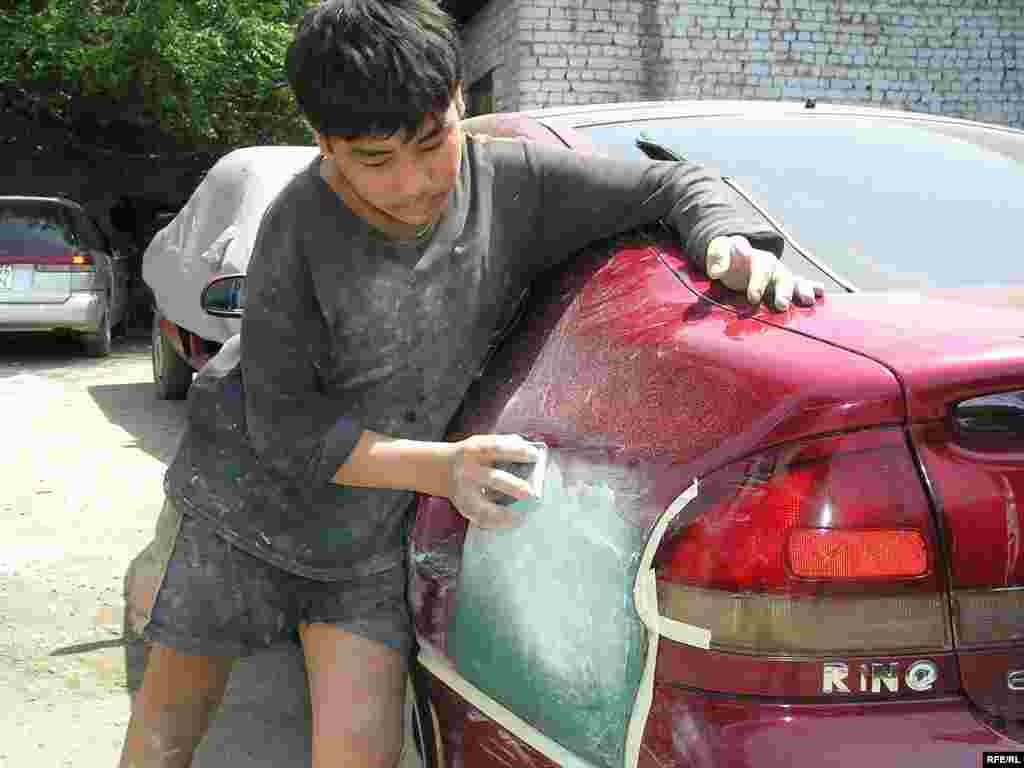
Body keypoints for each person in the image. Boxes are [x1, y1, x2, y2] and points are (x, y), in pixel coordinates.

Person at [118, 1, 823, 766]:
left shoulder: (513, 186)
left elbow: (675, 184)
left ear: (460, 105)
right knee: (166, 728)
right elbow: (286, 431)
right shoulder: (297, 225)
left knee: (360, 753)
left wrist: (726, 242)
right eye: (376, 161)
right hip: (241, 509)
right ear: (324, 147)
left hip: (363, 547)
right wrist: (444, 469)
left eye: (433, 143)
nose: (417, 182)